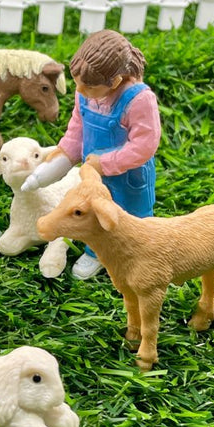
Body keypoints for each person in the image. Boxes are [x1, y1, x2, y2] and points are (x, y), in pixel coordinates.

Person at [22, 30, 161, 280]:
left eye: (89, 86)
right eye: (77, 83)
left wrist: (105, 163)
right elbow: (77, 129)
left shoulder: (139, 99)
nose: (80, 90)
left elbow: (144, 145)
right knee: (93, 215)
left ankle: (138, 253)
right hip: (92, 173)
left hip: (130, 177)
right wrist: (64, 153)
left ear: (115, 81)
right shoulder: (84, 94)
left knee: (133, 215)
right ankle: (96, 252)